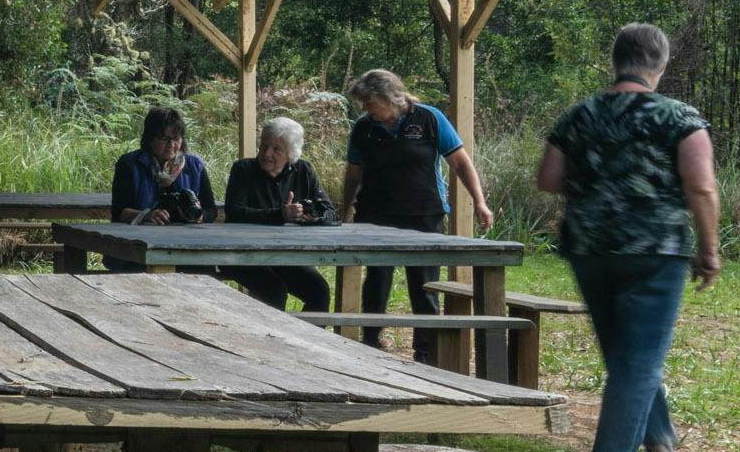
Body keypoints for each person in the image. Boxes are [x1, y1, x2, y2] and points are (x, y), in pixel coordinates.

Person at [538, 22, 722, 452]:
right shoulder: (679, 118)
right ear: (659, 65)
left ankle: (657, 437)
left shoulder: (578, 115)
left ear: (615, 60)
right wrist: (710, 250)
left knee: (625, 348)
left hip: (589, 246)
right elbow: (701, 188)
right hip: (654, 248)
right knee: (639, 354)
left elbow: (548, 180)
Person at [337, 68, 493, 343]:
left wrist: (479, 202)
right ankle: (371, 342)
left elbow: (460, 162)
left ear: (389, 98)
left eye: (369, 102)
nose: (365, 108)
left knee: (424, 285)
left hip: (424, 213)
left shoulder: (430, 118)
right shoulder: (363, 127)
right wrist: (344, 208)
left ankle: (426, 349)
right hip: (375, 215)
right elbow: (353, 171)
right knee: (376, 281)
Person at [222, 114, 332, 313]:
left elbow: (329, 212)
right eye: (264, 146)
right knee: (274, 289)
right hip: (244, 255)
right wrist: (280, 215)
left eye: (276, 149)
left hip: (285, 256)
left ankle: (303, 340)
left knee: (320, 291)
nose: (266, 153)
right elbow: (234, 212)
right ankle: (271, 341)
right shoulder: (243, 169)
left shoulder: (304, 171)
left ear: (291, 153)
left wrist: (313, 217)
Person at [109, 106, 217, 224]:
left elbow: (211, 210)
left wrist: (199, 216)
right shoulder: (130, 164)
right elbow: (119, 212)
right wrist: (146, 215)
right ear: (150, 138)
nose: (171, 144)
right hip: (141, 235)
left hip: (187, 235)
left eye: (176, 138)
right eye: (164, 138)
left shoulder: (195, 165)